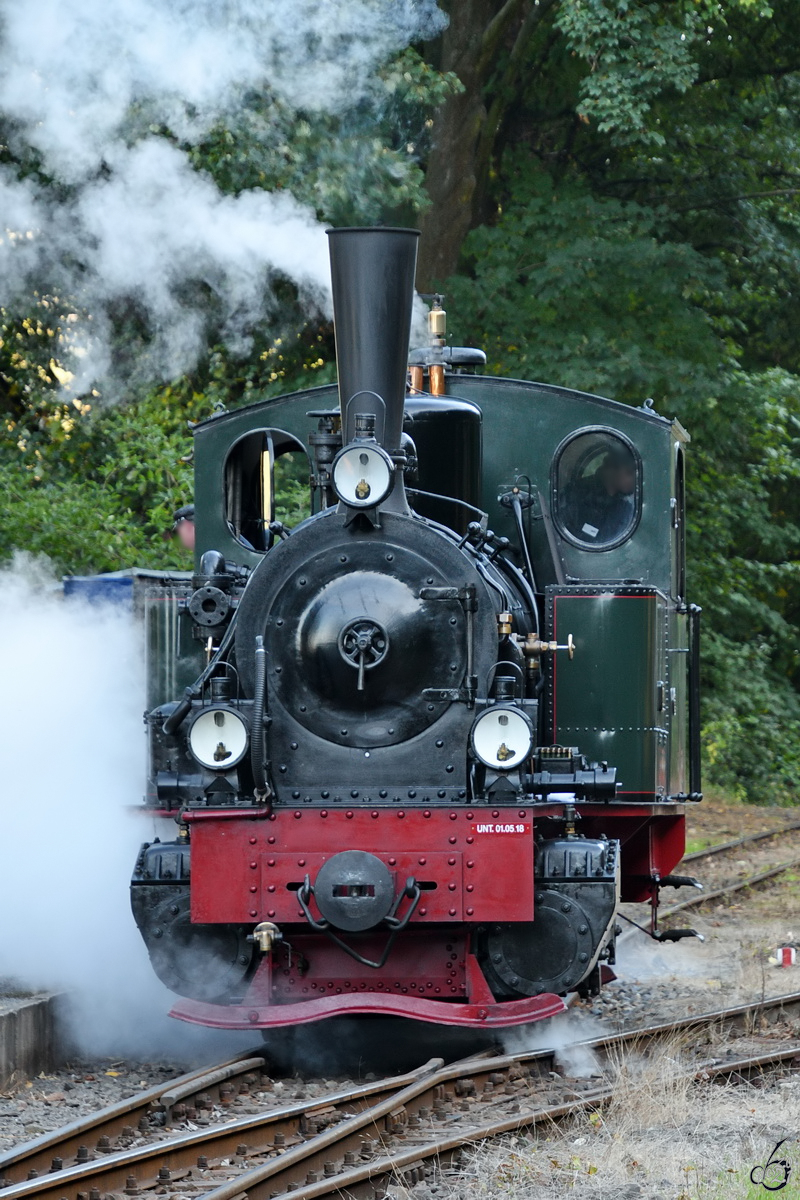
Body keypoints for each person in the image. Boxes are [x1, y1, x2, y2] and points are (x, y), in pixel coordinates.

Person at [561, 449, 635, 545]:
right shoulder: (575, 495)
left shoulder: (625, 508)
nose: (634, 479)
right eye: (629, 472)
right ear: (612, 468)